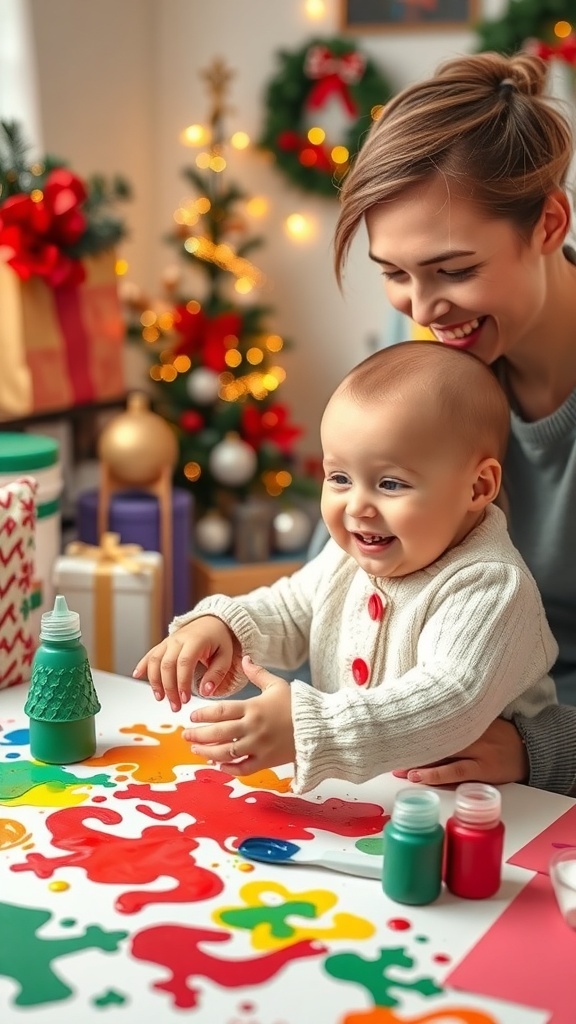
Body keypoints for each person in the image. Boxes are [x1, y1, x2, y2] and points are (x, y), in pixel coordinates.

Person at [133, 342, 558, 794]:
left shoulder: (491, 583)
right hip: (380, 797)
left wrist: (311, 728)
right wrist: (225, 628)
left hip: (503, 809)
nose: (357, 506)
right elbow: (291, 608)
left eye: (390, 483)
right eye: (339, 477)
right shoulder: (348, 557)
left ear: (478, 486)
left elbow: (449, 697)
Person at [327, 49, 576, 796]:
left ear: (548, 223)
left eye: (455, 271)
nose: (424, 310)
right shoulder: (423, 360)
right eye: (394, 273)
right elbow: (341, 577)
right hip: (410, 750)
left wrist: (540, 750)